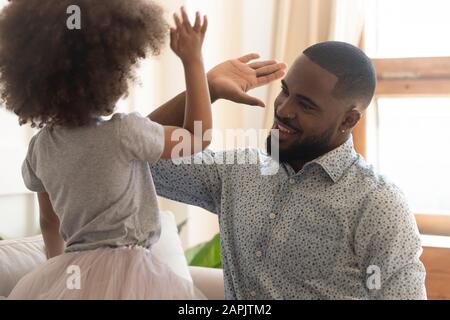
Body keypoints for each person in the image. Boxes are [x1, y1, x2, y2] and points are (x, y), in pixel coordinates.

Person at [149, 41, 427, 300]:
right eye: (285, 90)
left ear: (348, 120)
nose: (283, 108)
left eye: (305, 105)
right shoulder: (239, 172)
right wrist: (206, 89)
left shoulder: (378, 205)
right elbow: (133, 152)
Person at [2, 0, 212, 299]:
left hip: (74, 274)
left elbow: (50, 222)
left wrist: (59, 274)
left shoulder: (39, 148)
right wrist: (193, 61)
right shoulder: (124, 132)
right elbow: (198, 137)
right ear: (111, 69)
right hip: (134, 271)